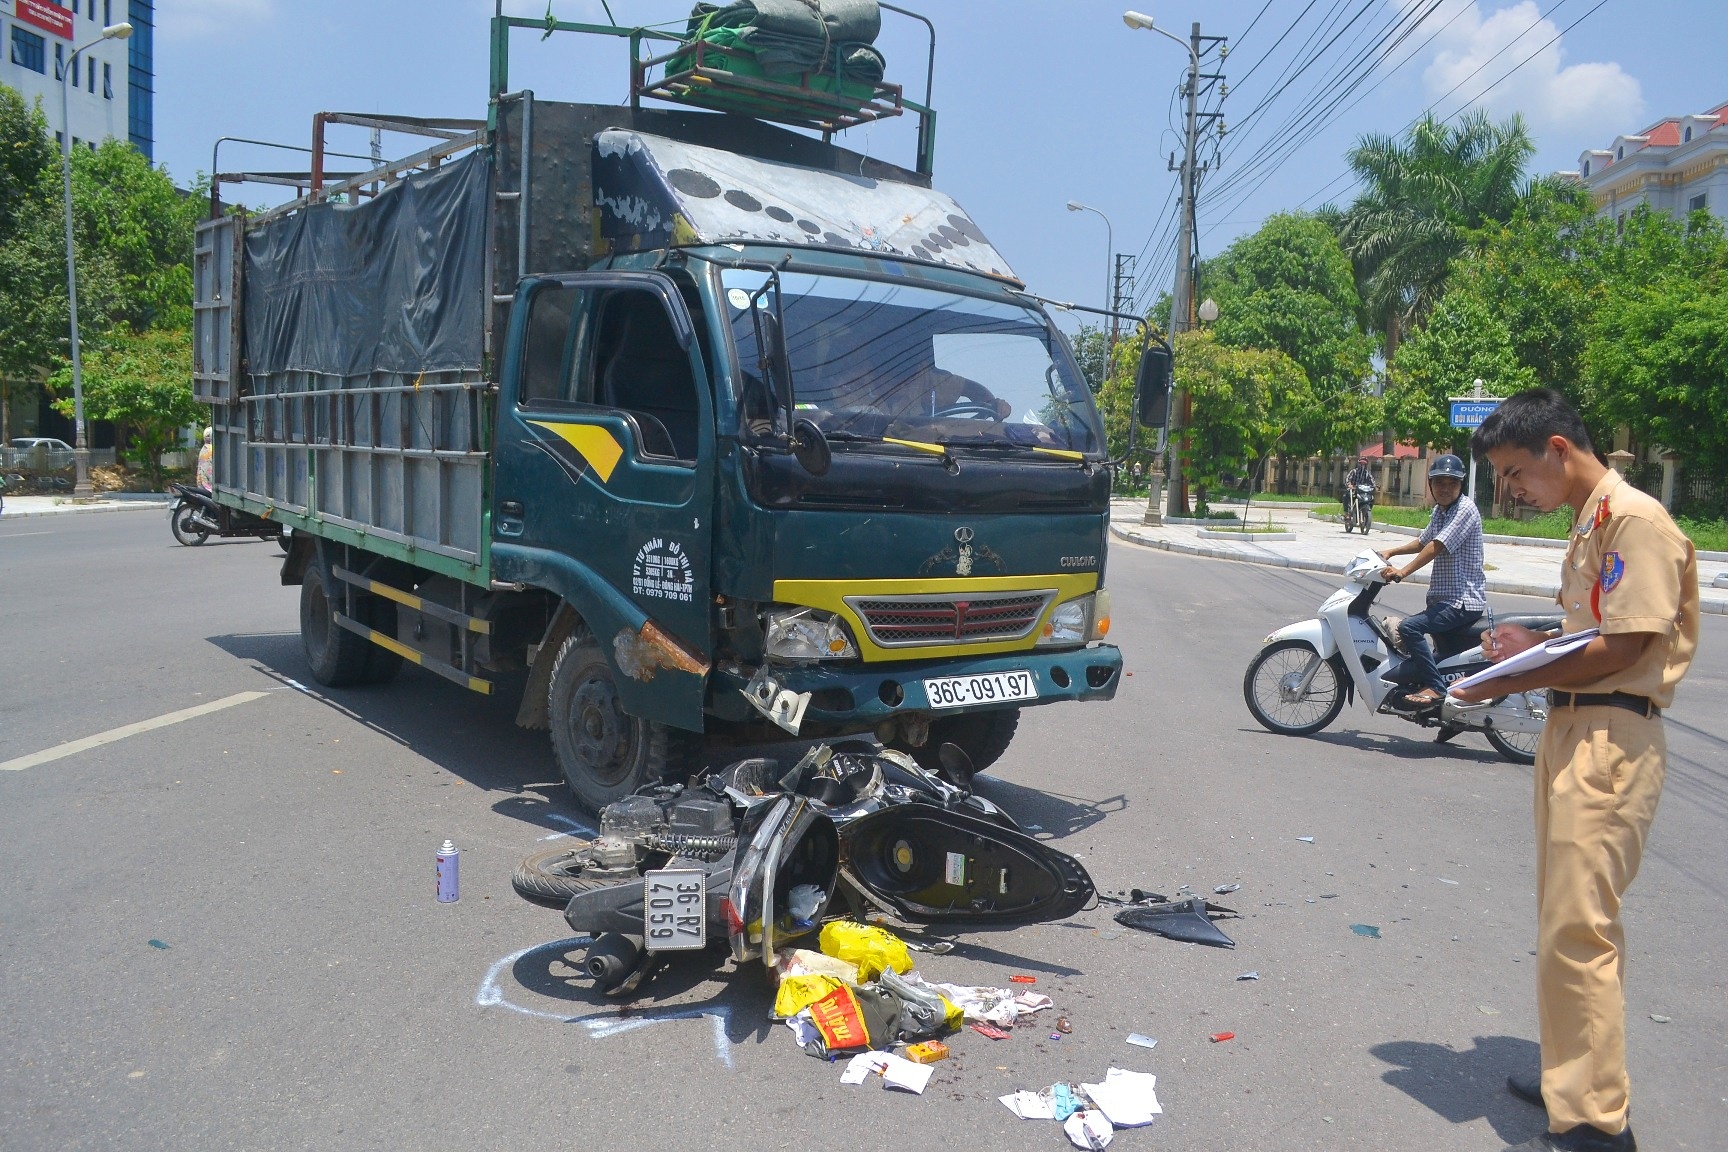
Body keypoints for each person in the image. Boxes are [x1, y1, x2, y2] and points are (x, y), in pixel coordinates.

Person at [1451, 388, 1697, 1152]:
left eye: (1515, 473)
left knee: (1581, 928)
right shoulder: (1591, 520)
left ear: (1557, 449)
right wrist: (1529, 647)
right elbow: (1590, 628)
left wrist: (1509, 676)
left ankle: (1596, 1119)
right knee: (1561, 922)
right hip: (1573, 728)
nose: (1511, 491)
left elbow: (1626, 645)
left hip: (1611, 736)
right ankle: (1570, 1078)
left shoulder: (1634, 520)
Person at [1376, 453, 1486, 708]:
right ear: (1430, 485)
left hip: (1461, 601)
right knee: (1442, 655)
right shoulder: (1441, 510)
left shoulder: (1465, 509)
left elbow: (1437, 545)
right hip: (1444, 600)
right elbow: (1424, 540)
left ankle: (1435, 687)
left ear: (1461, 485)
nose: (1445, 488)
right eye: (1439, 483)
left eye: (1452, 483)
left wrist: (1403, 572)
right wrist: (1391, 552)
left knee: (1409, 628)